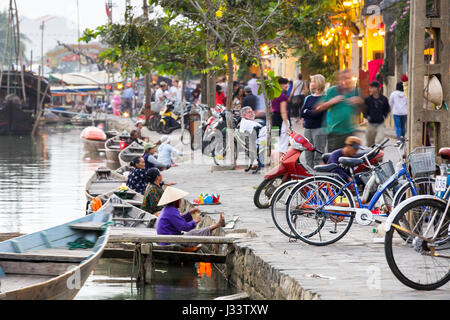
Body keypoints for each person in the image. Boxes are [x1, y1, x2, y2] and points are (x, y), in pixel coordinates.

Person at [156, 186, 226, 246]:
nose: (180, 201)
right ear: (175, 201)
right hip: (169, 242)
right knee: (194, 233)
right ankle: (217, 225)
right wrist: (195, 221)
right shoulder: (171, 211)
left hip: (167, 239)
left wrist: (190, 213)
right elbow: (184, 227)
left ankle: (217, 225)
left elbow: (178, 220)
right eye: (179, 199)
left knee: (193, 233)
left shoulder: (168, 209)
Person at [314, 69, 364, 152]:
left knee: (351, 160)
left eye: (349, 78)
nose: (347, 81)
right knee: (334, 160)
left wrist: (360, 101)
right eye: (345, 78)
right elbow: (318, 108)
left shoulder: (356, 91)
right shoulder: (332, 91)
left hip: (351, 132)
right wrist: (332, 101)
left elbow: (364, 110)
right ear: (340, 79)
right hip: (335, 133)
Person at [300, 74, 327, 168]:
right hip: (308, 129)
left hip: (319, 129)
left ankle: (318, 176)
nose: (310, 83)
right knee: (308, 153)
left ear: (318, 83)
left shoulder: (324, 98)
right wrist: (310, 112)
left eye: (313, 81)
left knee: (318, 154)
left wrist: (307, 111)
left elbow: (317, 114)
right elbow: (301, 113)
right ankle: (309, 174)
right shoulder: (308, 98)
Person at [363, 81, 391, 147]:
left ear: (378, 88)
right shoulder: (368, 99)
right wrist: (367, 116)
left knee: (380, 140)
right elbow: (364, 109)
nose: (372, 89)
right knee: (369, 143)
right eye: (371, 88)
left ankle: (379, 156)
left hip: (380, 123)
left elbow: (387, 109)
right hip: (370, 123)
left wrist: (384, 116)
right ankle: (370, 156)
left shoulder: (383, 99)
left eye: (373, 88)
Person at [271, 78, 292, 157]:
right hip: (281, 120)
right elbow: (283, 111)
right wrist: (287, 125)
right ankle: (278, 164)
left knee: (275, 143)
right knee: (282, 145)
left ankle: (274, 163)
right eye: (286, 84)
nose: (287, 86)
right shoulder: (283, 96)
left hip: (274, 119)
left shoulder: (272, 95)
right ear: (281, 85)